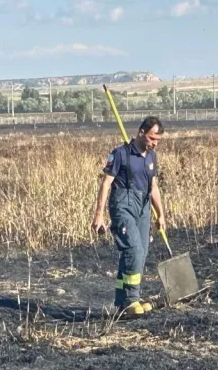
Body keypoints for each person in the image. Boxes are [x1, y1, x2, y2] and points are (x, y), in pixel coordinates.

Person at [91, 116, 166, 317]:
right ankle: (132, 300)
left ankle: (124, 300)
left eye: (157, 140)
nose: (154, 144)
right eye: (151, 138)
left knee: (140, 252)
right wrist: (98, 215)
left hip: (143, 207)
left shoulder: (152, 158)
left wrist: (161, 214)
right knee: (134, 249)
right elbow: (106, 183)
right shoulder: (120, 154)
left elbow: (154, 187)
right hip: (122, 204)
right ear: (141, 132)